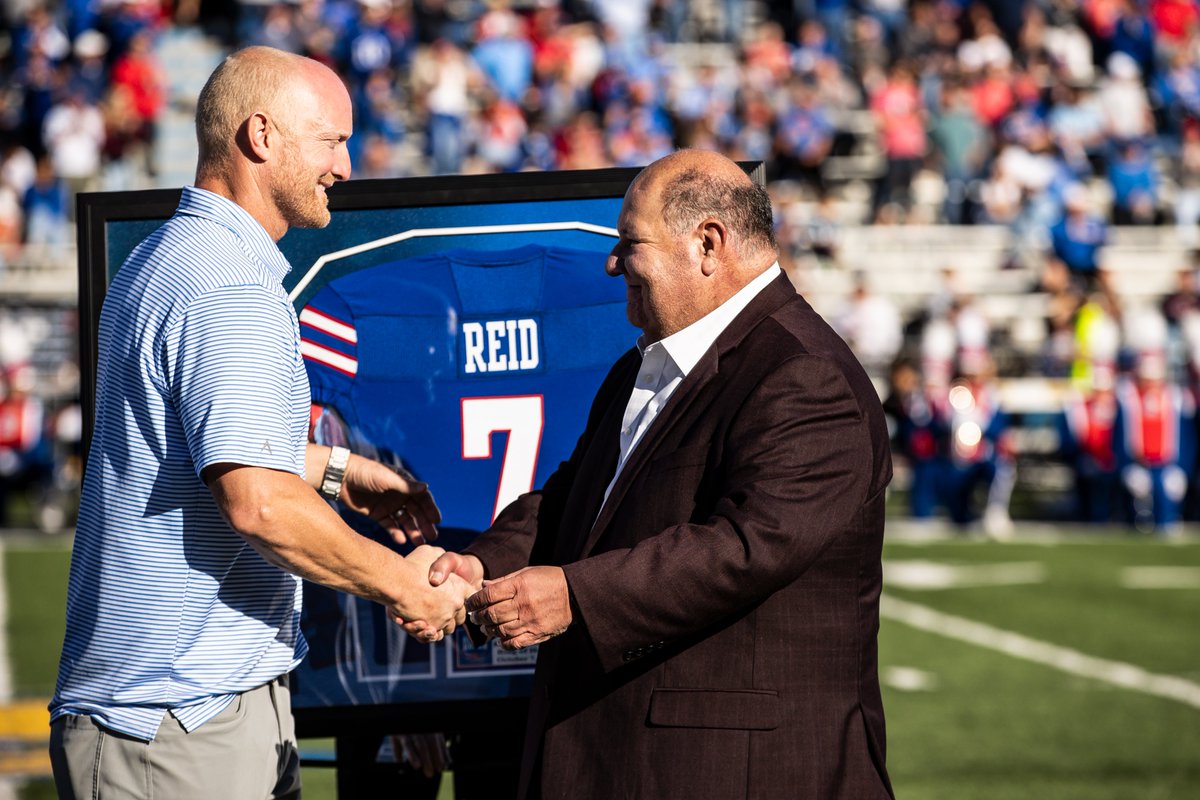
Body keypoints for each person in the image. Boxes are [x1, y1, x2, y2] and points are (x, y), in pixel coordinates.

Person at [48, 46, 472, 800]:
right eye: (331, 140)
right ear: (261, 135)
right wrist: (402, 586)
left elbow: (191, 449)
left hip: (177, 707)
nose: (344, 166)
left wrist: (339, 473)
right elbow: (259, 503)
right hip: (175, 716)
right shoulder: (227, 284)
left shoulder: (171, 256)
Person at [430, 149, 895, 799]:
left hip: (737, 771)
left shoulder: (804, 375)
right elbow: (574, 500)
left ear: (708, 244)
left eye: (631, 243)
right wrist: (481, 563)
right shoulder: (644, 365)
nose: (612, 262)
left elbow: (749, 546)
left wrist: (575, 596)